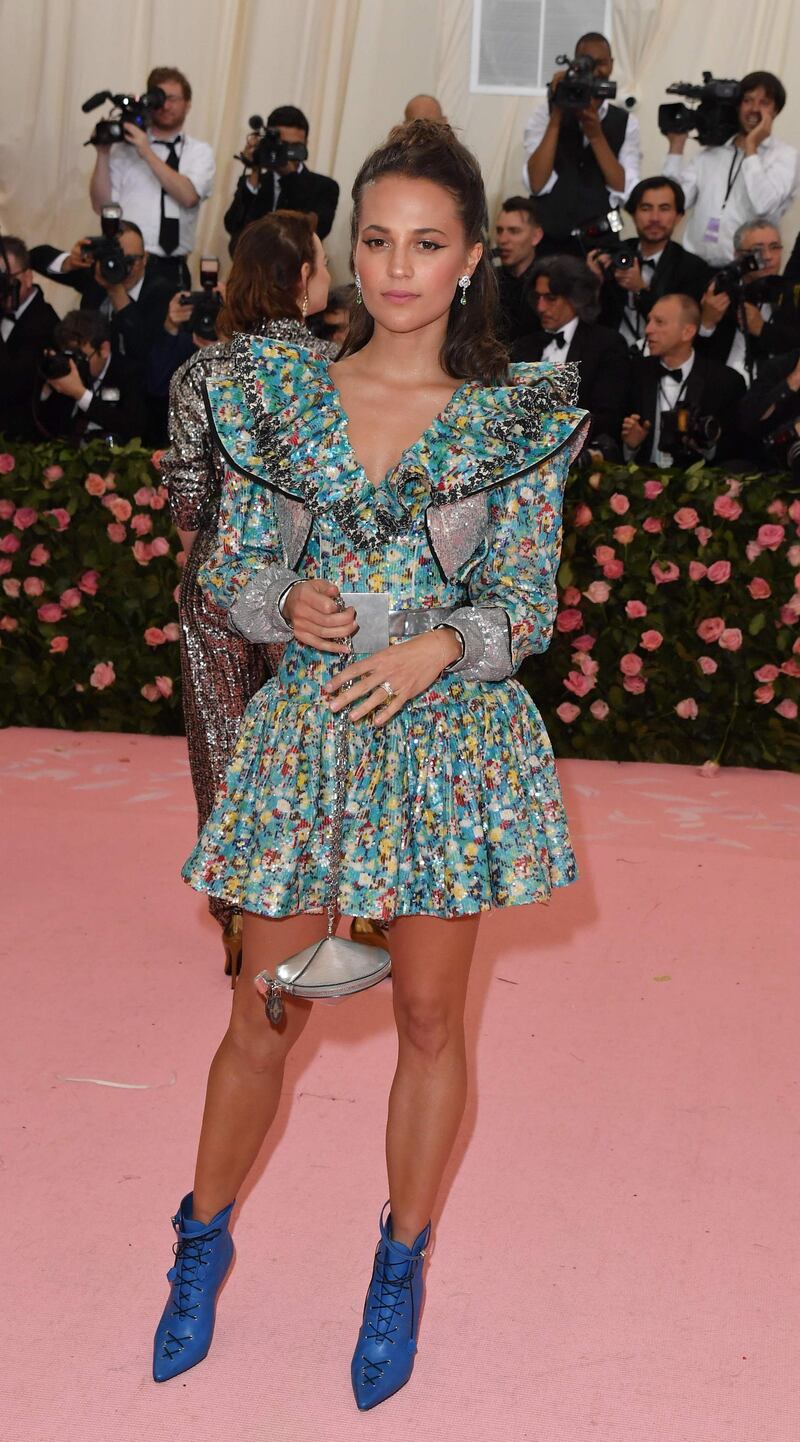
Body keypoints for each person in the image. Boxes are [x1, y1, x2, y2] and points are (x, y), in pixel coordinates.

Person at [151, 120, 587, 1409]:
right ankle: (199, 1238)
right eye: (379, 242)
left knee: (426, 1017)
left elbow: (528, 600)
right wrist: (282, 598)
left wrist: (438, 645)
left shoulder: (517, 419)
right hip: (300, 744)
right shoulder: (273, 394)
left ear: (468, 262)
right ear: (352, 252)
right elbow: (222, 572)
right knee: (264, 1009)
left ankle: (398, 1259)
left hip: (444, 747)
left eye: (428, 245)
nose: (399, 269)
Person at [161, 213, 336, 980]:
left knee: (226, 753)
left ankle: (240, 918)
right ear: (301, 278)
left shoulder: (200, 375)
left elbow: (190, 506)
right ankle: (334, 903)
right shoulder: (341, 368)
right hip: (314, 591)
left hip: (221, 589)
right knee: (319, 747)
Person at [89, 66, 215, 291]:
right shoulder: (123, 149)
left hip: (171, 267)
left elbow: (188, 196)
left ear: (187, 104)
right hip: (124, 260)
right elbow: (101, 205)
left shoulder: (199, 152)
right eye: (159, 99)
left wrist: (147, 152)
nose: (165, 106)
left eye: (173, 99)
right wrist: (103, 153)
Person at [522, 31, 641, 255]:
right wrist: (557, 113)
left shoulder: (627, 123)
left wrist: (596, 135)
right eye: (585, 63)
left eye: (601, 63)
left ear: (611, 65)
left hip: (602, 242)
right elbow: (536, 183)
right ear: (574, 63)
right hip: (549, 241)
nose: (594, 71)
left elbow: (624, 188)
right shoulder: (544, 115)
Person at [663, 70, 798, 266]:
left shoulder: (786, 156)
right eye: (748, 101)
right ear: (737, 106)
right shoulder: (710, 154)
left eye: (764, 103)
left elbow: (764, 204)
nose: (754, 109)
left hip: (747, 272)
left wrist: (751, 147)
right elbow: (674, 203)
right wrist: (676, 147)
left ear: (775, 111)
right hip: (695, 267)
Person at [514, 255, 629, 453]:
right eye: (538, 297)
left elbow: (608, 416)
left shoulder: (606, 345)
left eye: (550, 298)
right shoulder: (523, 346)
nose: (541, 307)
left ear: (575, 298)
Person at [622, 293, 745, 467]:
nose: (648, 329)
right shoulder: (633, 374)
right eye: (649, 321)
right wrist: (631, 446)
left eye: (659, 322)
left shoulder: (724, 382)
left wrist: (706, 445)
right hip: (638, 484)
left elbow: (735, 451)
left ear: (687, 332)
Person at [588, 176, 711, 346]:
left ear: (678, 217)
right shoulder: (611, 253)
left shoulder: (693, 269)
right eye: (646, 208)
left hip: (657, 362)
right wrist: (592, 284)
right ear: (633, 214)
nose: (654, 218)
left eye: (664, 209)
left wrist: (640, 291)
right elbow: (582, 319)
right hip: (605, 356)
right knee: (546, 371)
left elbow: (680, 330)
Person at [30, 221, 173, 366]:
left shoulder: (162, 293)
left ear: (145, 258)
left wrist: (117, 292)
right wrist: (69, 262)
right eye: (119, 260)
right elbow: (35, 257)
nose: (126, 269)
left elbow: (145, 351)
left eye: (132, 260)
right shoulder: (98, 275)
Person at [696, 216, 800, 381]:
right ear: (737, 255)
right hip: (722, 389)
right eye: (757, 250)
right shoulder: (720, 293)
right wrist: (706, 323)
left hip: (775, 393)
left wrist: (762, 330)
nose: (767, 257)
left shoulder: (792, 296)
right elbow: (695, 359)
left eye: (774, 247)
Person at [224, 106, 339, 251]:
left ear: (306, 144)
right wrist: (255, 170)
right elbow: (232, 225)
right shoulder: (255, 182)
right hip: (252, 270)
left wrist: (289, 175)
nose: (288, 152)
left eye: (295, 146)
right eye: (283, 145)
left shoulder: (324, 187)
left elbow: (316, 231)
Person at [35, 308, 147, 445]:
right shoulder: (68, 369)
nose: (75, 364)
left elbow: (132, 427)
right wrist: (49, 386)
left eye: (82, 357)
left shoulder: (130, 373)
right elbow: (48, 426)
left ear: (104, 349)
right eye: (71, 355)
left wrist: (80, 394)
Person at [0, 236, 59, 440]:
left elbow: (16, 383)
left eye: (6, 278)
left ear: (27, 277)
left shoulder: (46, 322)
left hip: (24, 439)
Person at [494, 195, 543, 343]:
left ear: (536, 236)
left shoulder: (551, 283)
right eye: (499, 230)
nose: (503, 240)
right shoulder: (489, 281)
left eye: (514, 231)